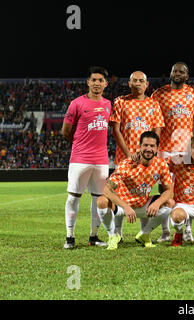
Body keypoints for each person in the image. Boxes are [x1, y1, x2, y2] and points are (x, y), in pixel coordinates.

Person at [151, 62, 194, 243]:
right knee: (164, 189)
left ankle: (187, 228)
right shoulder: (159, 94)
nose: (177, 73)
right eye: (175, 70)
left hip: (186, 149)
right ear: (170, 73)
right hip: (164, 149)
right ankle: (166, 230)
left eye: (181, 72)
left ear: (187, 76)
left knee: (184, 191)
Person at [109, 71, 165, 240]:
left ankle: (144, 233)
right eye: (135, 81)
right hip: (125, 158)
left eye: (141, 81)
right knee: (119, 194)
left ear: (147, 85)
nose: (138, 83)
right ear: (129, 83)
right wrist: (129, 155)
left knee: (143, 193)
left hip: (146, 158)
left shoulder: (154, 104)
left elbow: (157, 131)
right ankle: (117, 233)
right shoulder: (120, 102)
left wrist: (149, 154)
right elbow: (116, 130)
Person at [96, 131, 174, 250]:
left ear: (157, 148)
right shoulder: (127, 164)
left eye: (152, 146)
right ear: (140, 147)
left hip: (143, 205)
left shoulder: (161, 165)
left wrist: (157, 203)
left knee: (170, 202)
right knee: (101, 201)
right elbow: (107, 189)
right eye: (145, 145)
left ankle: (145, 234)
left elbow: (169, 190)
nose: (148, 149)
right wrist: (125, 207)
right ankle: (113, 236)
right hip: (122, 207)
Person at [61, 66, 111, 249]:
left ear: (105, 84)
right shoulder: (76, 103)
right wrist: (80, 144)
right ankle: (70, 237)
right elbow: (65, 131)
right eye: (94, 80)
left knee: (98, 200)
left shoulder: (108, 104)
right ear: (88, 82)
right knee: (73, 198)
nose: (97, 83)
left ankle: (94, 236)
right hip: (80, 158)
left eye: (100, 80)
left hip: (101, 160)